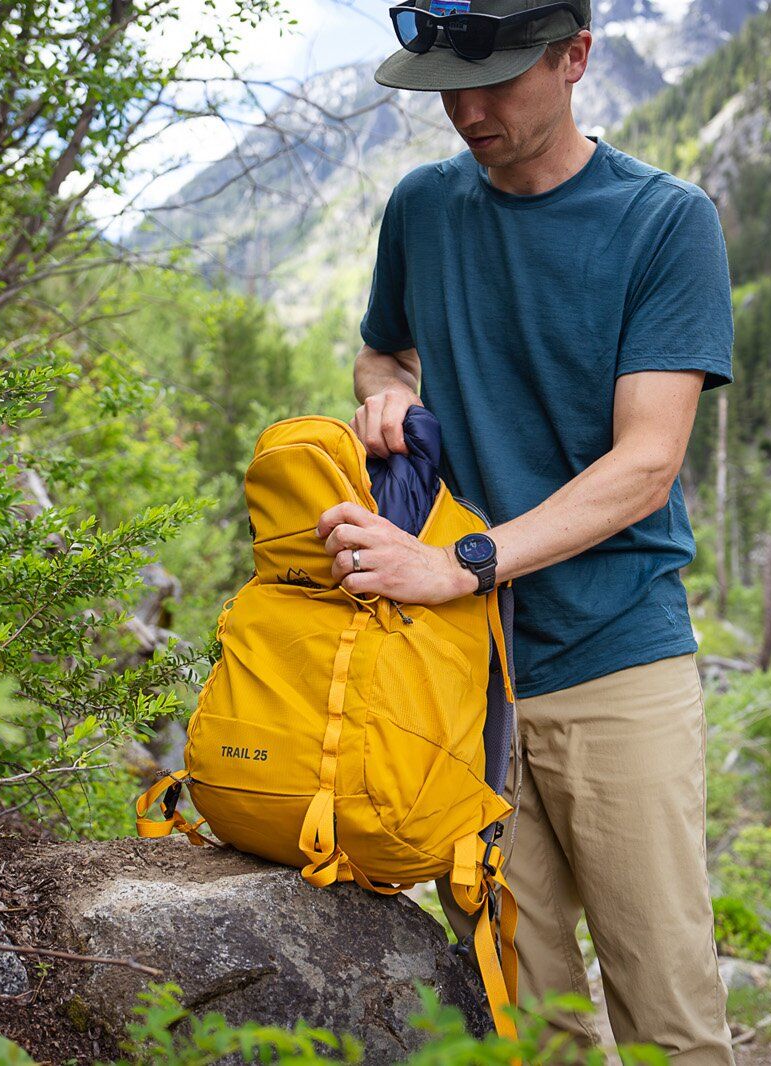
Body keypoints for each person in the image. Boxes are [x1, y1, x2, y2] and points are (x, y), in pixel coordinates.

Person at [312, 1, 738, 1061]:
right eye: (450, 85)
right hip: (465, 677)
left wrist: (459, 565)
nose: (467, 109)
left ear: (576, 58)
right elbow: (382, 352)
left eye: (498, 81)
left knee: (669, 1018)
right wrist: (386, 395)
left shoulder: (663, 220)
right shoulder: (422, 207)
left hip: (613, 656)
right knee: (526, 1012)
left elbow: (645, 464)